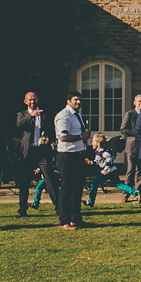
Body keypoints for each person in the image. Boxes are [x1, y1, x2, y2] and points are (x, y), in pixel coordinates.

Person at [14, 92, 56, 218]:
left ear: (38, 99)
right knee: (24, 181)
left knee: (50, 179)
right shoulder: (21, 114)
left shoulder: (45, 114)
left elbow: (51, 129)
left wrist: (50, 139)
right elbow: (19, 125)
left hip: (42, 150)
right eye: (30, 100)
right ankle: (22, 209)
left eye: (34, 99)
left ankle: (59, 208)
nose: (32, 102)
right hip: (27, 151)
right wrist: (30, 116)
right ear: (25, 101)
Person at [54, 91, 90, 230]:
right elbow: (63, 136)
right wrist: (82, 136)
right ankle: (64, 220)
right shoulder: (64, 116)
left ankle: (75, 218)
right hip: (67, 155)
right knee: (66, 188)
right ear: (68, 101)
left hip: (78, 154)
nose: (78, 102)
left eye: (80, 100)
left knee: (77, 188)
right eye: (75, 100)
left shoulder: (77, 115)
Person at [120, 94, 141, 202]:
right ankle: (126, 193)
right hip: (132, 145)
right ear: (135, 103)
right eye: (139, 101)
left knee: (140, 170)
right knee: (130, 170)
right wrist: (137, 133)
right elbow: (123, 129)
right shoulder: (129, 114)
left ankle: (137, 192)